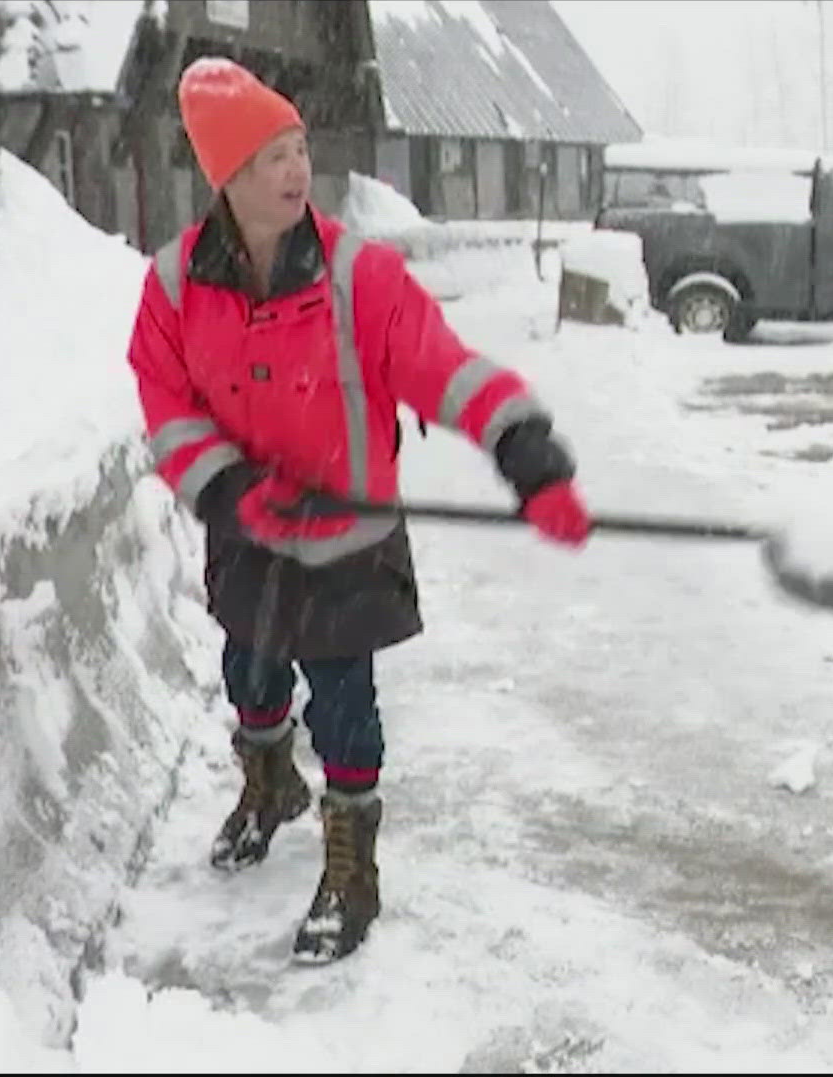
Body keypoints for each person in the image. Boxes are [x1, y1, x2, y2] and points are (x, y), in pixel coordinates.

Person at [124, 57, 591, 963]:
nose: (297, 171)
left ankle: (351, 871)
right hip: (251, 528)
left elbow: (443, 366)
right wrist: (226, 489)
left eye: (300, 149)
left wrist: (520, 446)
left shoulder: (356, 276)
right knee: (252, 679)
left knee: (344, 707)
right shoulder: (177, 284)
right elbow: (166, 402)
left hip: (348, 538)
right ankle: (268, 787)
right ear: (227, 175)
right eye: (271, 157)